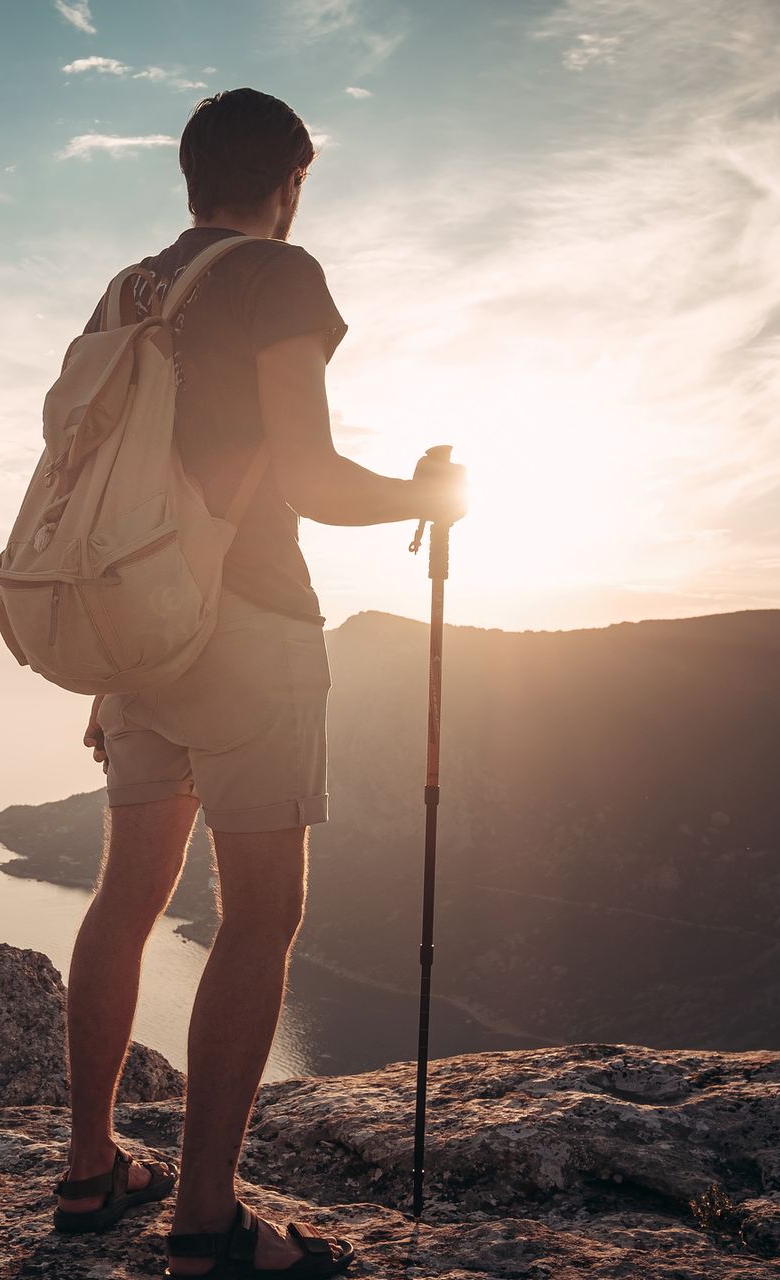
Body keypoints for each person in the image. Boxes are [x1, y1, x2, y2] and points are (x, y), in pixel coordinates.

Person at [48, 89, 468, 1277]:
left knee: (126, 893)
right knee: (262, 913)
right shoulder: (280, 276)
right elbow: (314, 474)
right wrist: (424, 498)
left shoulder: (129, 290)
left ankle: (89, 1170)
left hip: (133, 625)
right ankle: (208, 1219)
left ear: (188, 178)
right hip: (246, 625)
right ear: (292, 181)